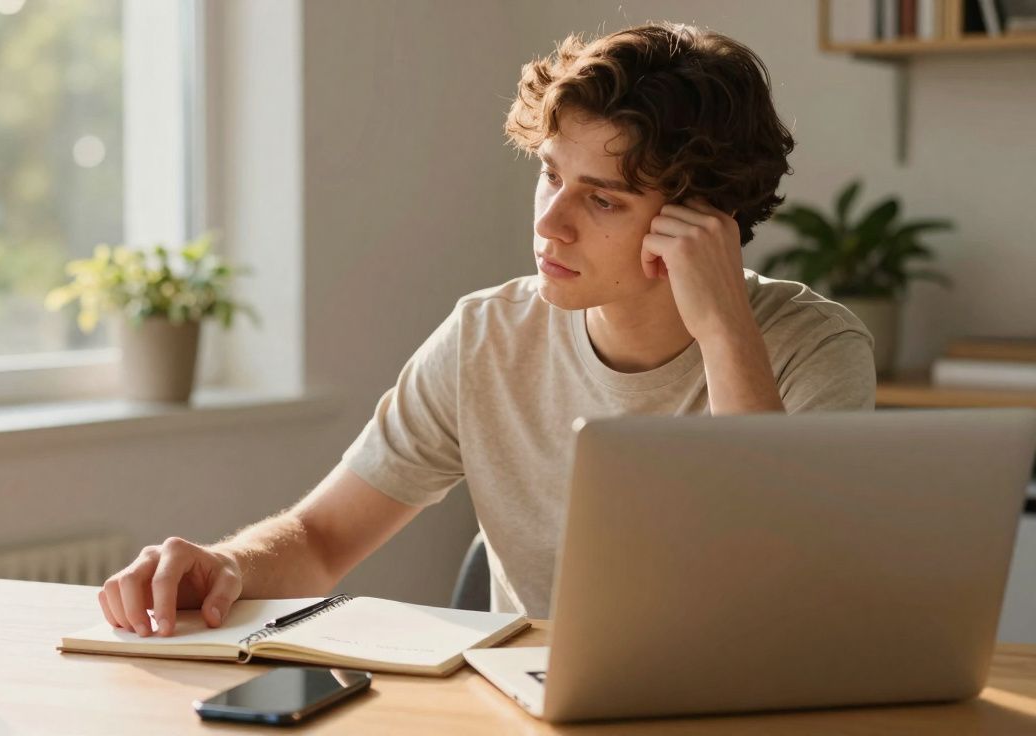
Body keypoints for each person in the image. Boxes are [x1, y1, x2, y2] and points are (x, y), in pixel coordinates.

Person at [98, 22, 876, 637]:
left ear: (704, 221)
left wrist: (727, 337)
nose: (550, 223)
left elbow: (788, 596)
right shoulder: (487, 336)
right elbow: (321, 541)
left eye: (601, 199)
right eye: (549, 173)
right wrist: (224, 565)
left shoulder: (814, 350)